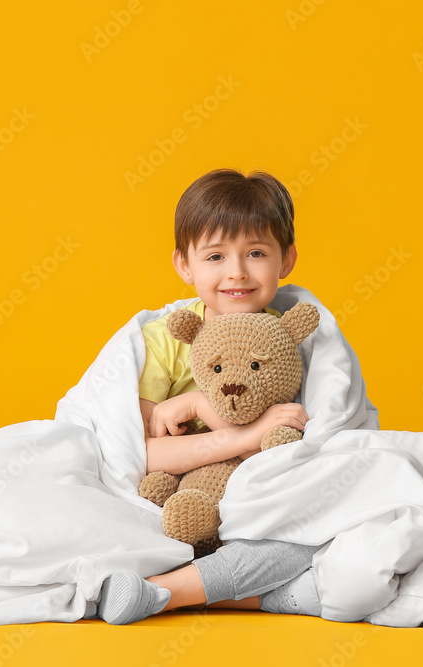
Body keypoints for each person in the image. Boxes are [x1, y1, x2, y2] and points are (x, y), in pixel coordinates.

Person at [95, 168, 325, 624]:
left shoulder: (293, 334)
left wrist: (246, 434)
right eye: (215, 256)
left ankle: (162, 593)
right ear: (185, 265)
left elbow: (321, 438)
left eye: (256, 253)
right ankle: (262, 593)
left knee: (315, 530)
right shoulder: (164, 343)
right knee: (122, 530)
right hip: (173, 501)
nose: (236, 272)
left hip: (262, 501)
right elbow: (138, 454)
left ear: (287, 259)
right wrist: (239, 429)